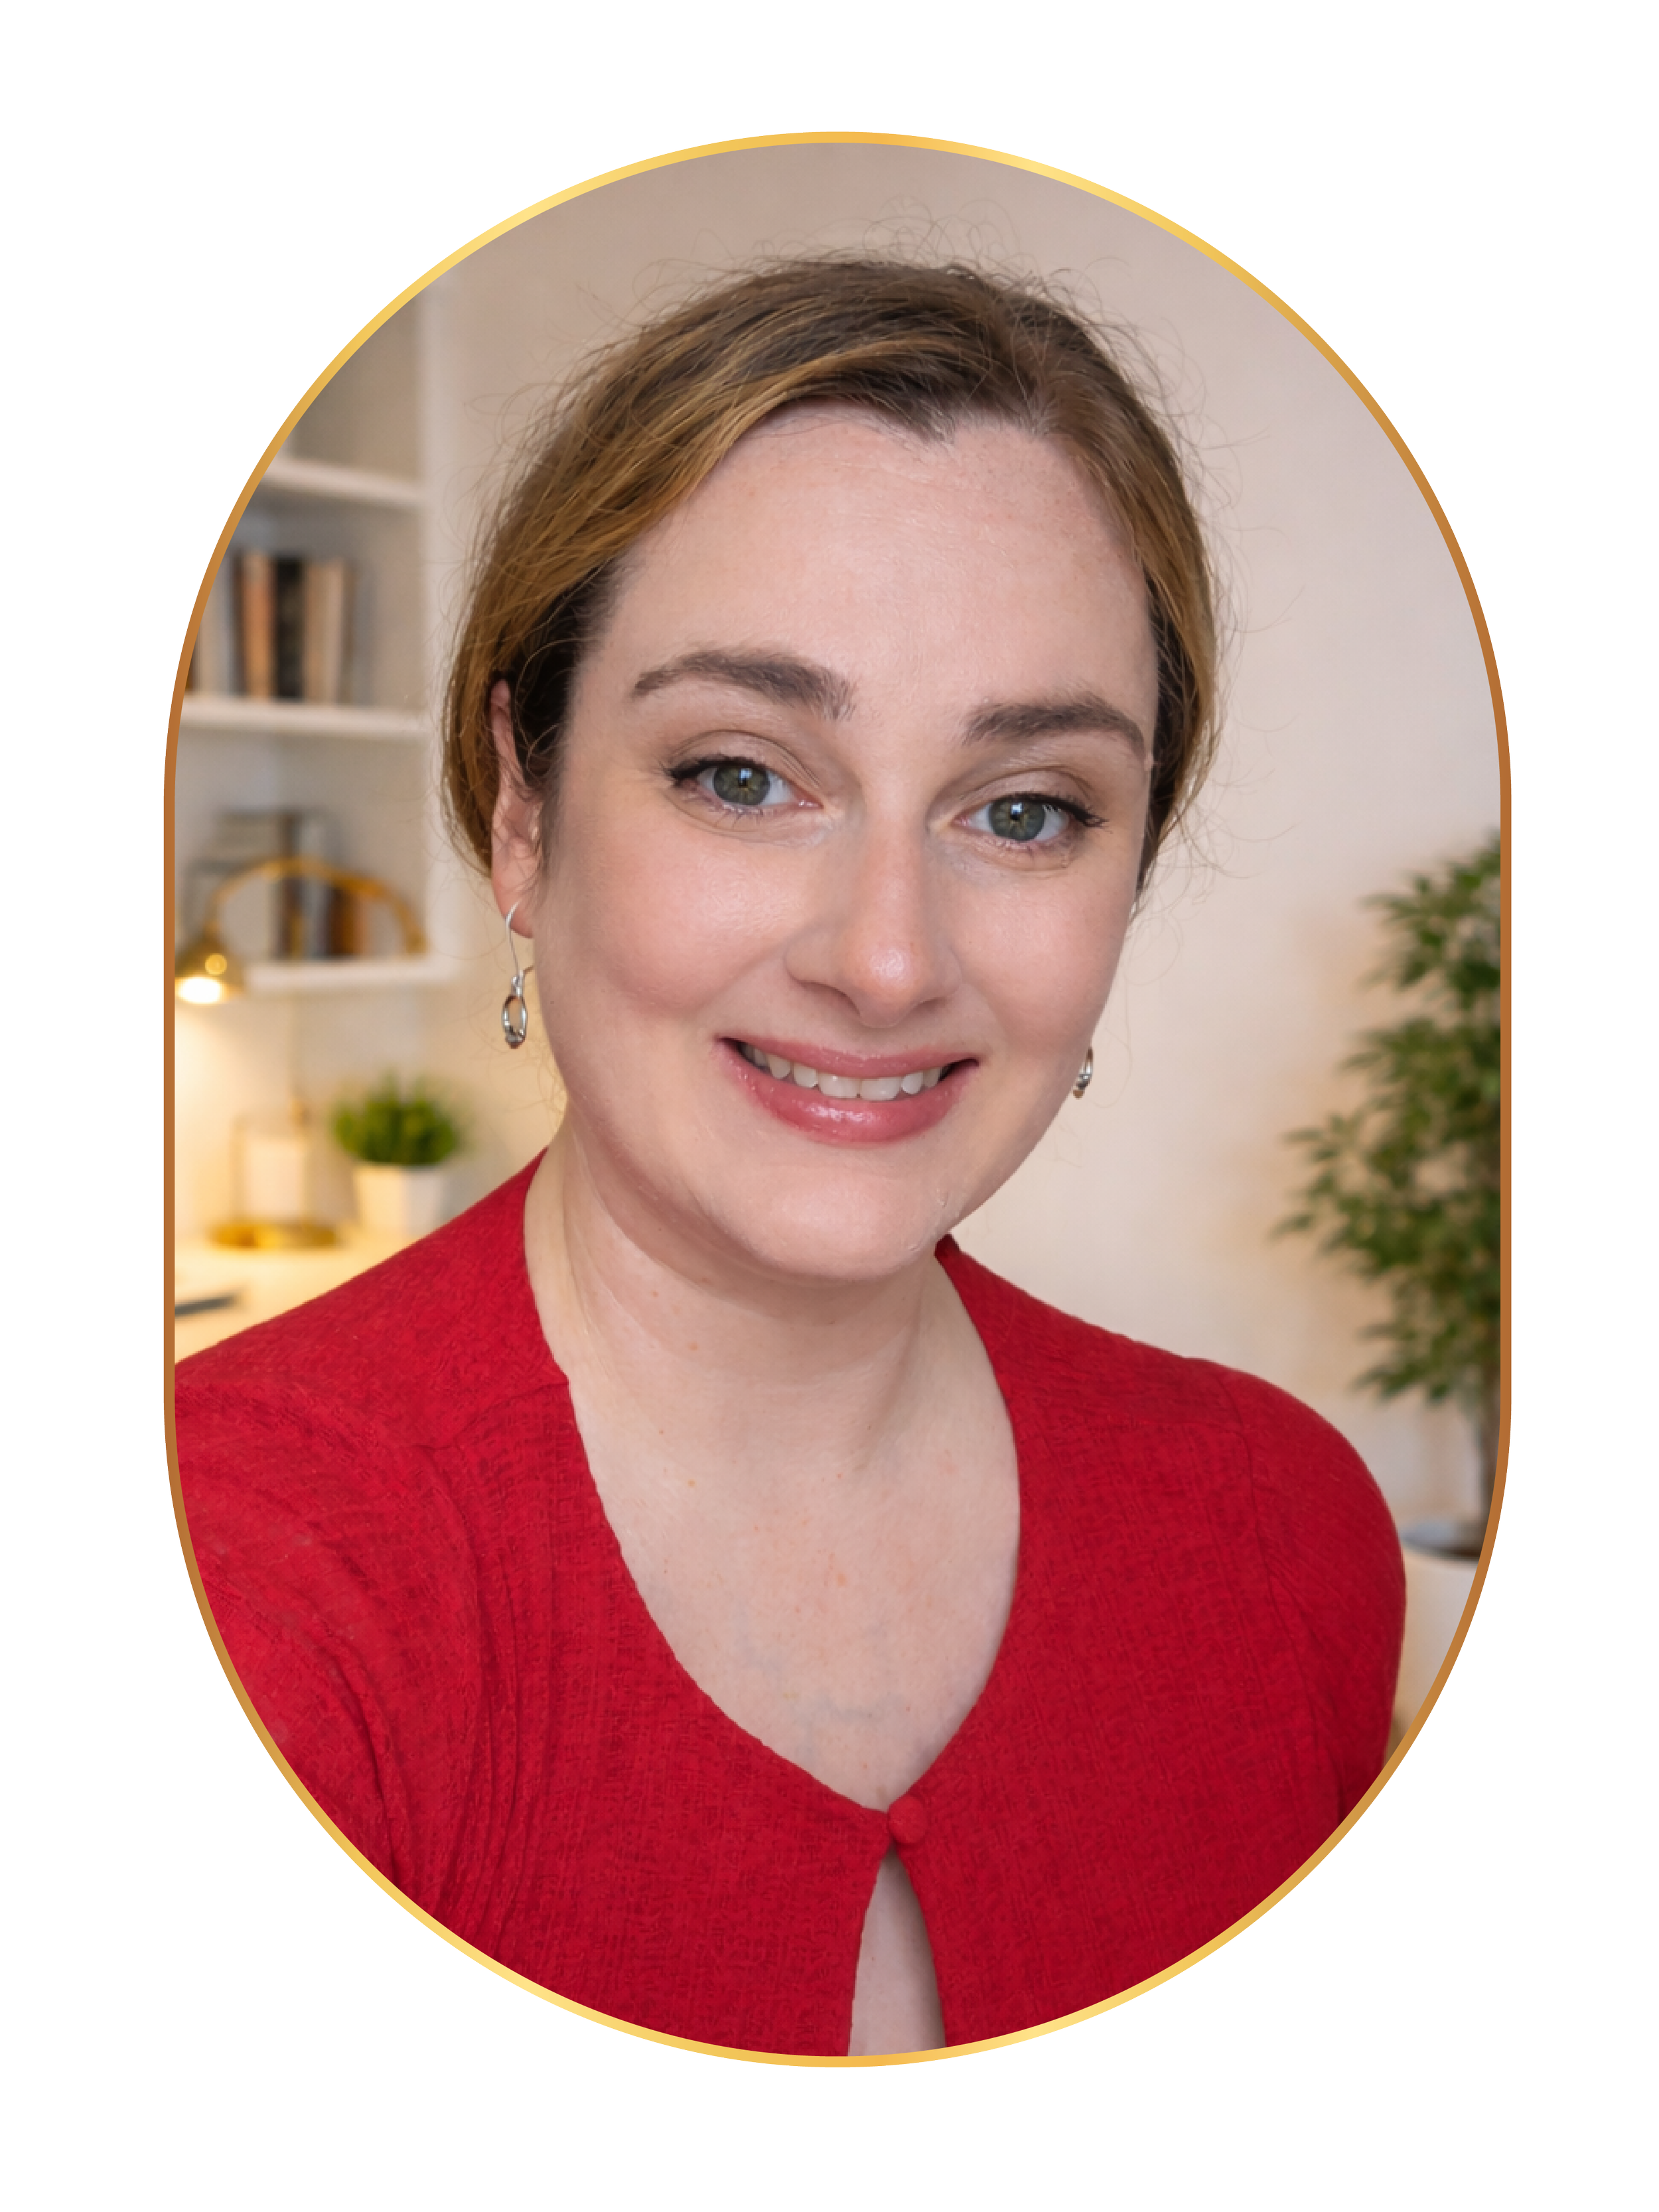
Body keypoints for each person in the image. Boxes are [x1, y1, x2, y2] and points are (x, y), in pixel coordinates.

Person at [174, 258, 1404, 2059]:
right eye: (743, 775)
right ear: (523, 810)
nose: (888, 957)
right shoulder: (252, 1572)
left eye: (1025, 808)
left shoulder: (1289, 1543)